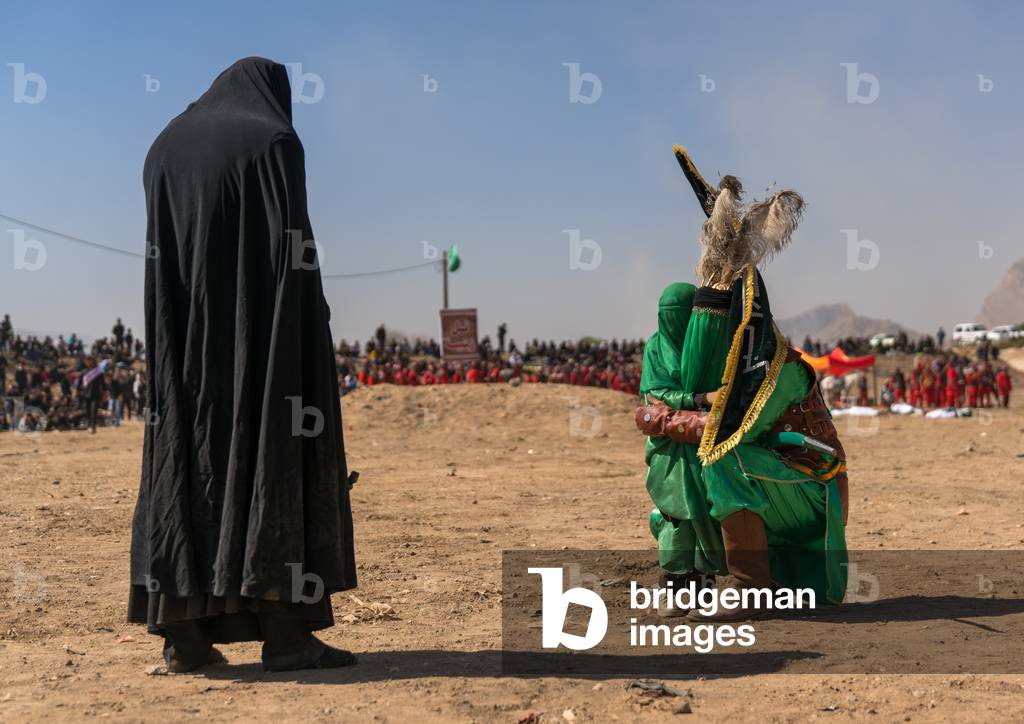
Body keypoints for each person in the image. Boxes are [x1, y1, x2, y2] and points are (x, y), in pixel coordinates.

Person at [127, 58, 357, 673]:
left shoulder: (163, 147)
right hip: (264, 343)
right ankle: (286, 637)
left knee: (185, 461)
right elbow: (294, 253)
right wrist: (312, 328)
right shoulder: (276, 141)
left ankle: (185, 638)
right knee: (271, 460)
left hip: (184, 346)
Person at [637, 146, 848, 620]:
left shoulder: (776, 370)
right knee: (680, 473)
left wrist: (660, 419)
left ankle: (751, 585)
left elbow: (723, 429)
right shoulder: (676, 357)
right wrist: (670, 414)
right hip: (771, 478)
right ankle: (689, 579)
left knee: (721, 456)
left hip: (811, 486)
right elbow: (662, 407)